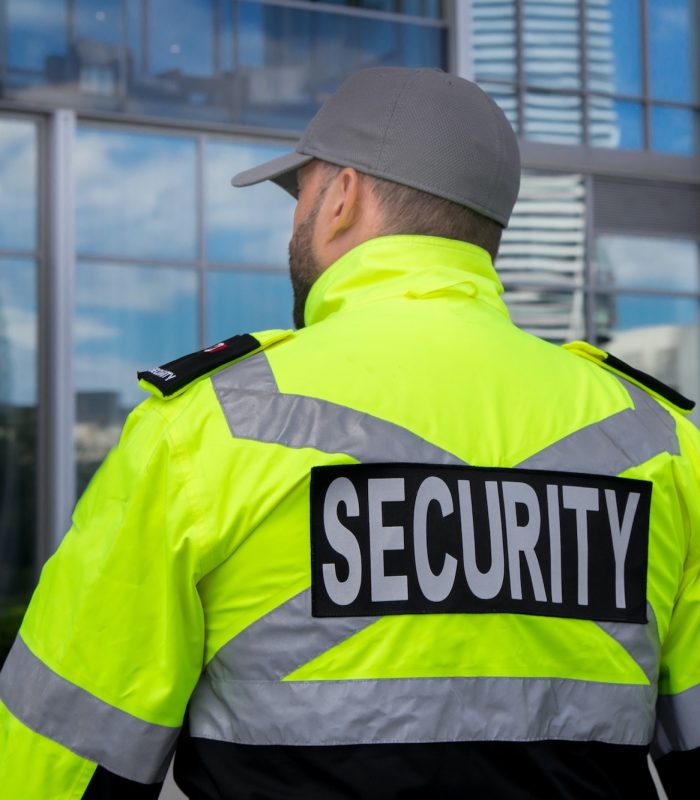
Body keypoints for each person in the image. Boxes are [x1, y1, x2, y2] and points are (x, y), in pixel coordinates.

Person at [0, 67, 698, 800]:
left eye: (300, 195)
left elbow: (60, 757)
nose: (296, 221)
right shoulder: (656, 438)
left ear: (342, 198)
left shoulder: (204, 428)